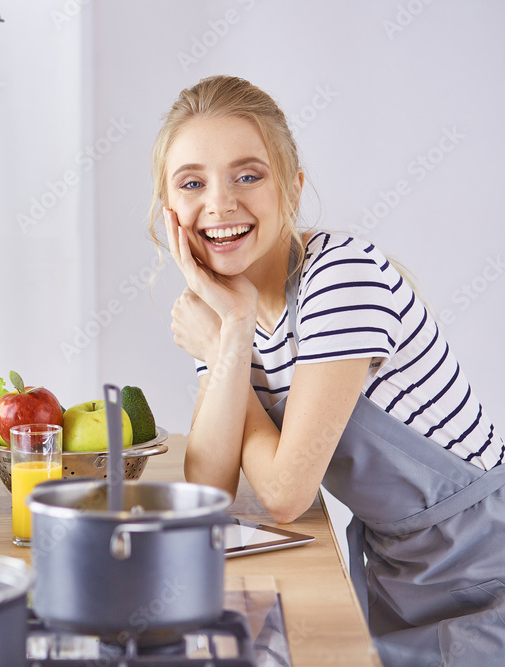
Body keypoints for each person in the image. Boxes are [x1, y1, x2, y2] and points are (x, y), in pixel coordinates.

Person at [151, 75, 505, 666]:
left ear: (291, 188)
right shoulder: (229, 313)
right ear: (170, 212)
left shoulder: (340, 276)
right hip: (398, 572)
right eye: (193, 183)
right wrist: (231, 340)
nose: (219, 203)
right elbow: (207, 491)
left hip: (484, 568)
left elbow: (287, 493)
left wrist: (224, 347)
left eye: (248, 175)